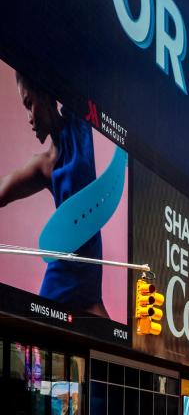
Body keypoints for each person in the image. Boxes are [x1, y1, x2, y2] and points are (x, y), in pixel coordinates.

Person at [0, 70, 113, 317]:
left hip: (91, 286)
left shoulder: (78, 120)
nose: (29, 118)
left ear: (47, 92)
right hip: (62, 281)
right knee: (34, 349)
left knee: (121, 347)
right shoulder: (45, 165)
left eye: (30, 103)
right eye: (25, 107)